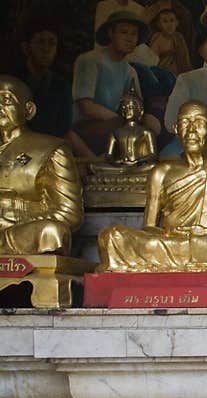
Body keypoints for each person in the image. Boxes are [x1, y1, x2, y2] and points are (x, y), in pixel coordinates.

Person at [98, 100, 207, 273]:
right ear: (176, 130)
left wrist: (203, 233)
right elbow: (149, 228)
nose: (191, 130)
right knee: (111, 236)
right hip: (171, 244)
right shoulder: (161, 173)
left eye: (199, 123)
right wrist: (173, 236)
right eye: (185, 123)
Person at [0, 76, 83, 256]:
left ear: (28, 110)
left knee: (52, 232)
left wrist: (15, 220)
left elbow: (69, 213)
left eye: (6, 100)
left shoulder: (49, 148)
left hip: (18, 232)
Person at [72, 10, 160, 157]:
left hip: (116, 124)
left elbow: (136, 106)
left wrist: (145, 118)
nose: (129, 38)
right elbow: (86, 106)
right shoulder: (90, 60)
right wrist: (119, 120)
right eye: (124, 32)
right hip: (85, 126)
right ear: (110, 33)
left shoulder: (129, 71)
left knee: (152, 124)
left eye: (133, 34)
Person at [15, 21, 72, 139]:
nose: (46, 49)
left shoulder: (61, 85)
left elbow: (65, 131)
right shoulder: (14, 83)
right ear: (26, 47)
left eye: (51, 43)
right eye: (40, 42)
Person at [150, 8, 192, 75]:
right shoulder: (157, 38)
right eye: (165, 21)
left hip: (178, 74)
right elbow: (151, 62)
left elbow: (185, 58)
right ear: (159, 24)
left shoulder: (179, 37)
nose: (169, 25)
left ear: (177, 23)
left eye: (172, 21)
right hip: (162, 75)